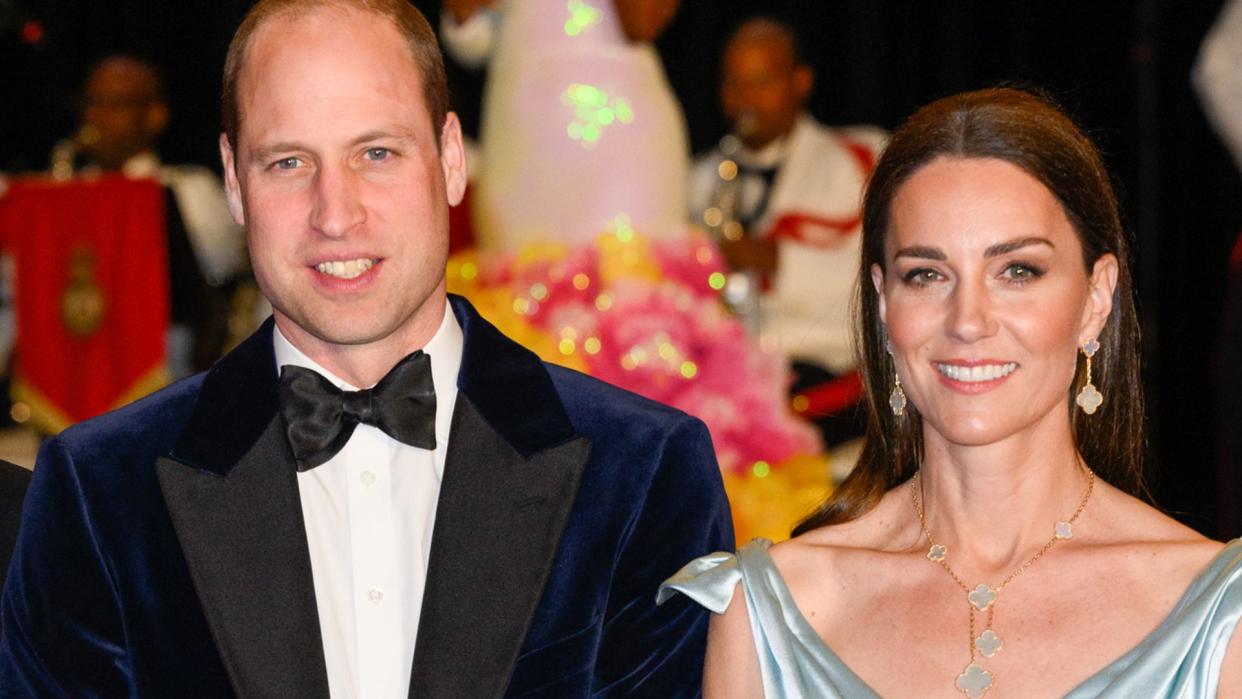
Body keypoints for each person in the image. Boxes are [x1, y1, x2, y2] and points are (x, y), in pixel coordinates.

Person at [0, 1, 731, 696]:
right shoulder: (100, 490)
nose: (336, 214)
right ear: (233, 182)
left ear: (450, 158)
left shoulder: (646, 472)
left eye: (376, 152)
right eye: (288, 162)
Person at [661, 88, 1242, 697]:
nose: (968, 321)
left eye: (1017, 271)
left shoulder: (1215, 615)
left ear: (1096, 299)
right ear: (885, 304)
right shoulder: (769, 613)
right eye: (927, 275)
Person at [688, 17, 886, 447]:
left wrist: (777, 261)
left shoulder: (865, 156)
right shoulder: (697, 180)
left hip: (838, 400)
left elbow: (888, 278)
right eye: (734, 85)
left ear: (801, 81)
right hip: (734, 401)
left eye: (761, 82)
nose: (745, 100)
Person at [441, 0, 687, 251]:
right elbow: (474, 39)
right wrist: (464, 16)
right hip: (520, 132)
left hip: (618, 128)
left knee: (627, 270)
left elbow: (641, 24)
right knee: (521, 271)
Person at [55, 55, 245, 376]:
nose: (94, 117)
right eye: (90, 103)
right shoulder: (57, 195)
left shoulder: (187, 188)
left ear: (155, 115)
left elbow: (223, 263)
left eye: (113, 105)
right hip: (74, 373)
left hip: (165, 374)